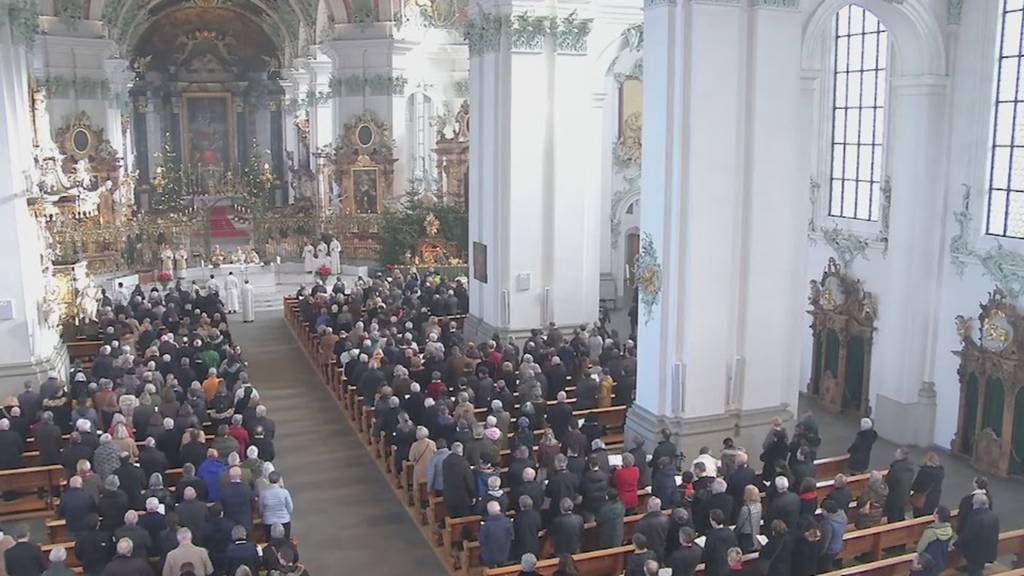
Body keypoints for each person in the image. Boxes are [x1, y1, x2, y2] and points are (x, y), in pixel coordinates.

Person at [954, 493, 999, 576]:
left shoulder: (974, 517)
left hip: (975, 551)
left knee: (975, 571)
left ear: (975, 504)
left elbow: (967, 535)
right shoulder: (994, 516)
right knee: (978, 567)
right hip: (988, 547)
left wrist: (956, 543)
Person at [915, 505, 953, 576]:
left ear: (937, 515)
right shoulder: (949, 530)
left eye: (935, 511)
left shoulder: (931, 531)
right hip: (941, 561)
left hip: (929, 563)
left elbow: (920, 548)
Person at [442, 442, 476, 517]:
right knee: (464, 519)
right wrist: (473, 495)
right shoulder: (463, 463)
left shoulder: (445, 461)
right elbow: (469, 481)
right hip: (462, 497)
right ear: (461, 451)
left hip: (449, 495)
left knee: (453, 518)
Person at [702, 509, 738, 576]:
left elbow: (708, 554)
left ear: (713, 521)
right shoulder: (730, 532)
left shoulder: (711, 536)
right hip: (728, 566)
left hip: (715, 569)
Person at [479, 500, 513, 568]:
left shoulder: (485, 526)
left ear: (488, 512)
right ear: (499, 509)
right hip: (505, 554)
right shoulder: (508, 522)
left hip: (490, 557)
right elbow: (511, 536)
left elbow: (481, 540)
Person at [259, 471, 293, 540]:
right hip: (284, 521)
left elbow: (261, 510)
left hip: (269, 522)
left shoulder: (263, 494)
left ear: (268, 480)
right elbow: (290, 508)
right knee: (285, 542)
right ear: (279, 480)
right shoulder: (285, 492)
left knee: (270, 543)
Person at [885, 447, 916, 523]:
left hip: (894, 497)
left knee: (893, 517)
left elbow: (889, 481)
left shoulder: (896, 468)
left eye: (897, 453)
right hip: (904, 496)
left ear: (901, 455)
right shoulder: (909, 467)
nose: (895, 454)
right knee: (900, 515)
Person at [910, 452, 944, 518]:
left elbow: (916, 486)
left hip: (922, 500)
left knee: (918, 517)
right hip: (933, 501)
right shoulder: (940, 473)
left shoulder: (924, 472)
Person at [818, 498, 847, 571]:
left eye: (823, 510)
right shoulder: (842, 516)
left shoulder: (828, 524)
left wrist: (819, 553)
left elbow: (825, 541)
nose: (822, 512)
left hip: (829, 550)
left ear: (829, 512)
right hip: (838, 545)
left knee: (824, 568)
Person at [513, 495, 542, 559]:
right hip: (534, 546)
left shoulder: (517, 517)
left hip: (521, 547)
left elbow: (515, 531)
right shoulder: (536, 515)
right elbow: (539, 527)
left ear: (520, 505)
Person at [734, 485, 762, 553]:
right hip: (756, 535)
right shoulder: (759, 505)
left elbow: (740, 524)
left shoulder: (745, 509)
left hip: (746, 537)